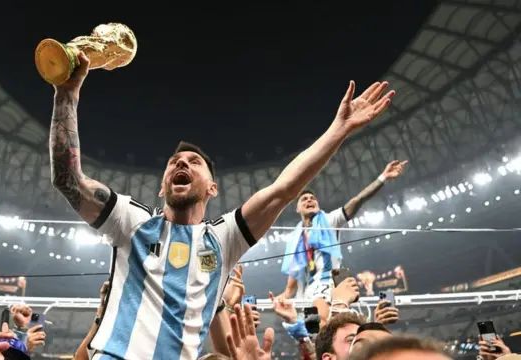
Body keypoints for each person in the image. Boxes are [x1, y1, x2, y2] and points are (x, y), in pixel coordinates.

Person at [49, 51, 395, 360]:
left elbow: (283, 189)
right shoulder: (131, 221)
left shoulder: (223, 239)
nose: (181, 164)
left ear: (212, 188)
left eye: (193, 162)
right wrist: (67, 95)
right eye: (174, 161)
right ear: (162, 187)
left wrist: (339, 129)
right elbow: (68, 179)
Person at [277, 160, 407, 322]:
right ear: (297, 209)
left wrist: (382, 178)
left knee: (323, 323)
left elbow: (357, 200)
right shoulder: (296, 238)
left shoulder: (330, 220)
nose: (309, 200)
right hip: (306, 291)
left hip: (326, 283)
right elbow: (292, 283)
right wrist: (281, 297)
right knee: (313, 334)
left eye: (312, 198)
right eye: (304, 199)